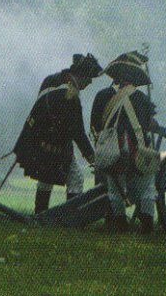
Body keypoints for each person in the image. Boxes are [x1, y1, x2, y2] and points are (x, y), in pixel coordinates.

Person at [12, 53, 102, 214]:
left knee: (46, 179)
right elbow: (78, 132)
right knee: (76, 178)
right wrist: (91, 157)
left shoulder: (51, 80)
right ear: (81, 75)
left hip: (40, 139)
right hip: (56, 143)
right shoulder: (71, 95)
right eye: (88, 78)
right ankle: (71, 215)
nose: (89, 83)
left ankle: (40, 212)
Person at [90, 51, 158, 234]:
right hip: (137, 149)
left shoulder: (102, 96)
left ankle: (120, 225)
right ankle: (146, 226)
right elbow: (151, 125)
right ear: (135, 77)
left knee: (114, 188)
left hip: (111, 149)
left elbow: (95, 125)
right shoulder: (141, 98)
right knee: (147, 188)